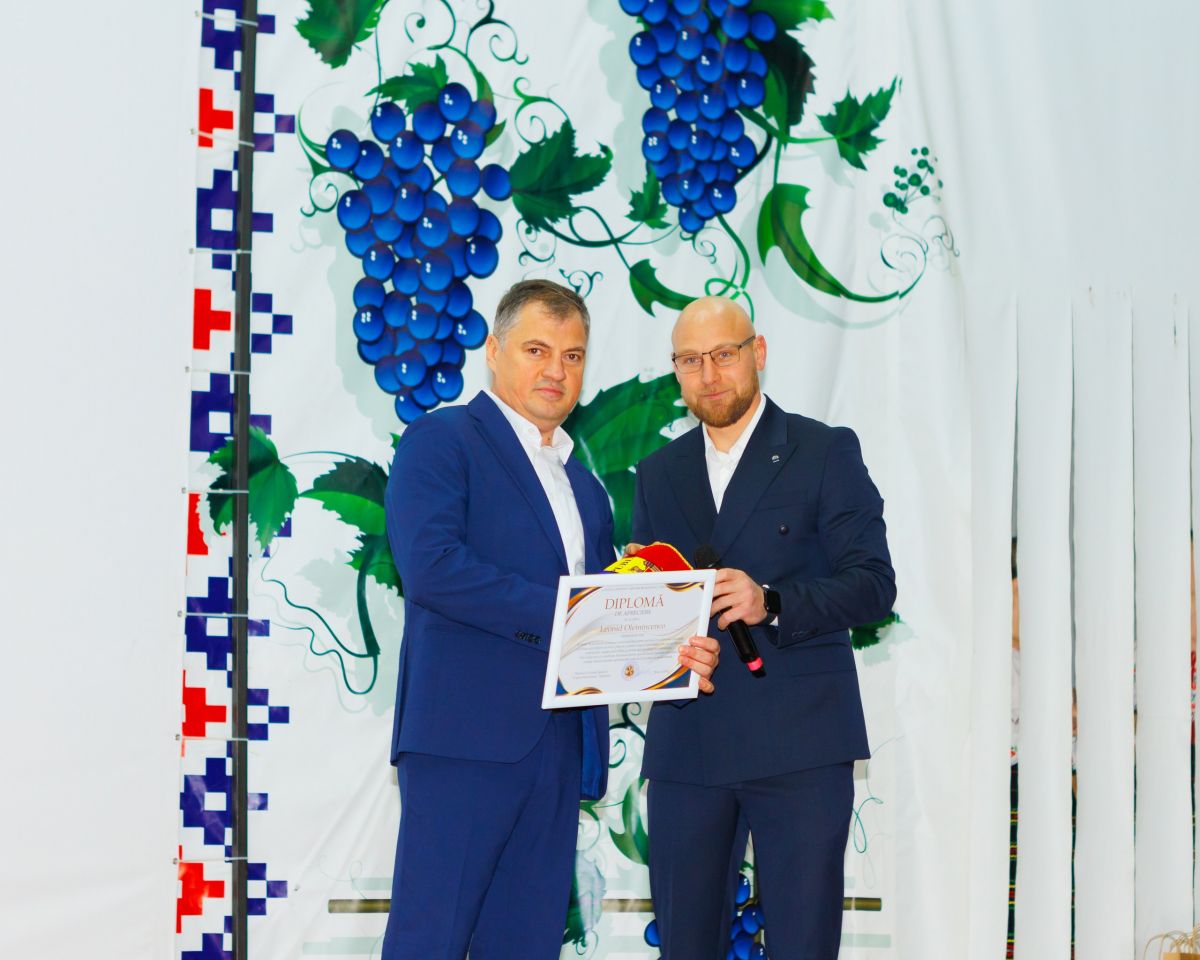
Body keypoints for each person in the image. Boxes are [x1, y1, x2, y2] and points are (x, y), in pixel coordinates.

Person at [381, 279, 719, 960]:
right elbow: (432, 568)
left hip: (561, 749)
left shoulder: (583, 486)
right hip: (464, 744)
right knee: (429, 941)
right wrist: (573, 616)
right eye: (536, 350)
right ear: (493, 350)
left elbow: (611, 613)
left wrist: (670, 651)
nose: (555, 371)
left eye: (572, 356)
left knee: (529, 944)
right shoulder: (442, 440)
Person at [629, 295, 896, 959]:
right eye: (691, 360)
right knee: (684, 945)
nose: (709, 374)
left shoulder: (823, 450)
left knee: (803, 943)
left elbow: (874, 585)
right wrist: (656, 639)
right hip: (688, 741)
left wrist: (771, 600)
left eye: (724, 354)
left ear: (759, 353)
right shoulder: (659, 472)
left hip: (800, 741)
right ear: (675, 371)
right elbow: (649, 599)